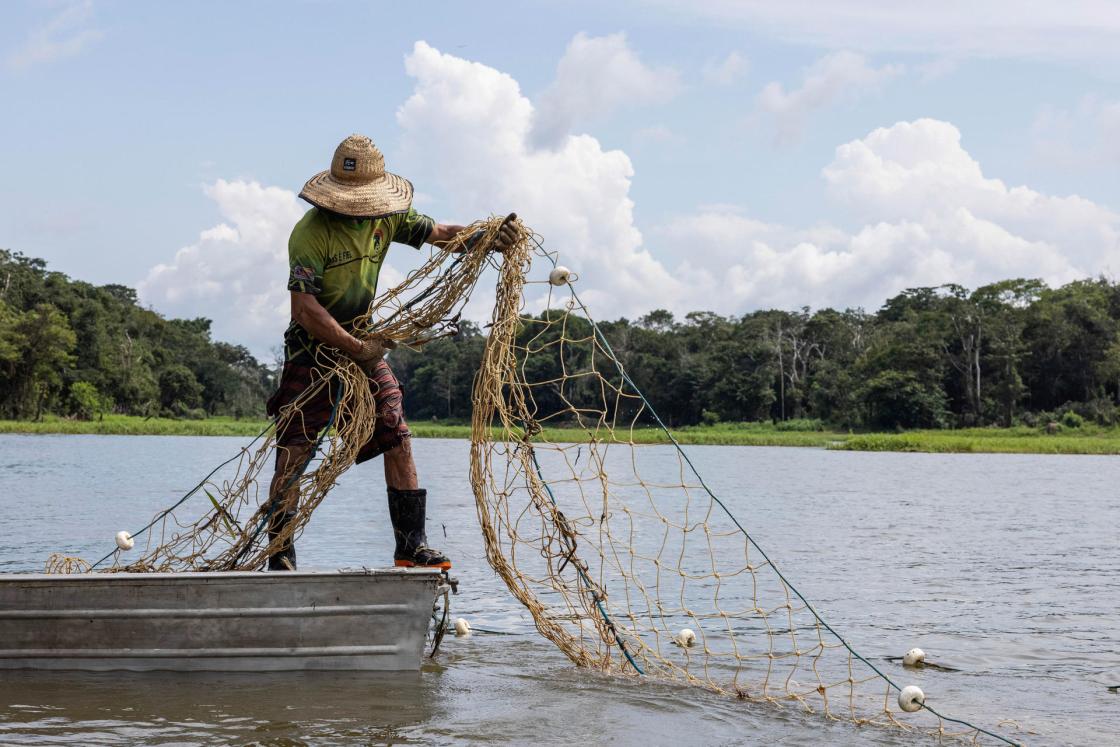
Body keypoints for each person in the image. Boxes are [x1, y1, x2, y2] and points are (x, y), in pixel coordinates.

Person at [263, 134, 515, 572]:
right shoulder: (310, 233)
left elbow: (441, 233)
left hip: (364, 348)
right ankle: (280, 553)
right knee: (295, 451)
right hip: (312, 355)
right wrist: (358, 348)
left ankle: (410, 547)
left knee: (397, 437)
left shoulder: (388, 219)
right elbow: (305, 310)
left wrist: (488, 237)